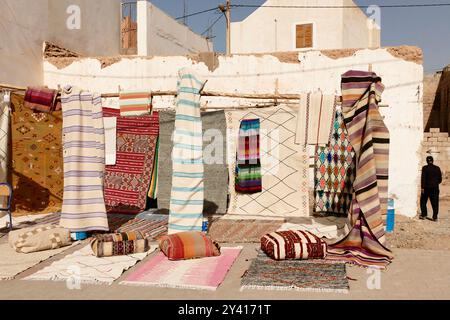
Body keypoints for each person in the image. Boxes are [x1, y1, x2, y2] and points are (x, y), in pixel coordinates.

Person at [420, 156, 442, 222]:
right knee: (435, 203)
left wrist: (422, 187)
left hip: (426, 188)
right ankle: (435, 217)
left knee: (423, 201)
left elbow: (423, 178)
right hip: (435, 188)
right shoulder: (437, 168)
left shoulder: (424, 168)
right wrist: (435, 183)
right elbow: (440, 179)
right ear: (433, 160)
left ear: (427, 161)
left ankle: (424, 215)